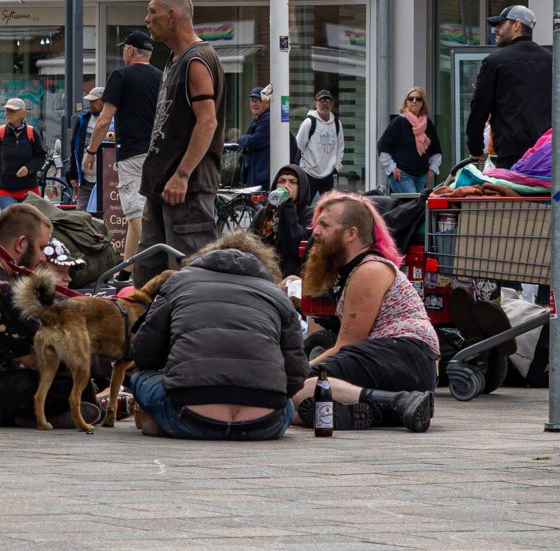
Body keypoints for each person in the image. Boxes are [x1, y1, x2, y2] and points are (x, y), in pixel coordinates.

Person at [131, 231, 308, 441]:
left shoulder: (177, 283)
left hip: (190, 417)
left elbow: (143, 354)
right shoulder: (277, 296)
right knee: (286, 404)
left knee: (141, 378)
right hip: (263, 424)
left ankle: (164, 419)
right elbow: (296, 374)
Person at [291, 192, 437, 432]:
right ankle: (380, 411)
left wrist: (294, 372)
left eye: (324, 225)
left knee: (297, 387)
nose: (315, 231)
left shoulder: (368, 270)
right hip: (405, 364)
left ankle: (399, 401)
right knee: (296, 400)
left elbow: (347, 345)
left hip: (404, 355)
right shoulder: (359, 269)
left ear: (351, 233)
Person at [0, 204, 96, 427]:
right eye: (42, 247)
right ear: (21, 243)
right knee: (68, 377)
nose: (42, 257)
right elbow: (35, 359)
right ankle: (37, 415)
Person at [133, 0, 225, 285]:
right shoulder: (175, 59)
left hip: (186, 191)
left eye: (152, 11)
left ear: (171, 16)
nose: (147, 19)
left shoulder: (196, 60)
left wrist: (182, 175)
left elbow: (207, 122)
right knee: (147, 277)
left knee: (191, 277)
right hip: (162, 188)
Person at [82, 31, 163, 266]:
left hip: (132, 154)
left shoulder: (120, 76)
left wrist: (91, 151)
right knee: (143, 215)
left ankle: (150, 264)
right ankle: (126, 269)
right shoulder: (161, 77)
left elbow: (104, 120)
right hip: (158, 154)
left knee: (136, 216)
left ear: (129, 50)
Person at [466, 5, 552, 169]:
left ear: (516, 25)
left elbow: (479, 110)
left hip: (512, 157)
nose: (495, 30)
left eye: (500, 24)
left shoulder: (494, 62)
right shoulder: (551, 61)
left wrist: (475, 149)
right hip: (546, 157)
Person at [249, 164, 313, 279]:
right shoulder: (265, 213)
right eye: (281, 181)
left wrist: (288, 206)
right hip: (264, 274)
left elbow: (296, 246)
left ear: (301, 187)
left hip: (293, 277)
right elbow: (250, 241)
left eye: (292, 182)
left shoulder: (308, 214)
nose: (286, 186)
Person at [378, 87, 442, 194]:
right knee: (412, 201)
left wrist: (432, 168)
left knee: (418, 203)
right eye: (411, 98)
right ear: (406, 102)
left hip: (421, 175)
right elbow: (383, 146)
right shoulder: (399, 122)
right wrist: (392, 167)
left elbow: (435, 149)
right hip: (402, 174)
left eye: (418, 99)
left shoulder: (428, 124)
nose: (414, 101)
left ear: (423, 103)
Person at [0, 98, 45, 210]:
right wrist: (0, 170)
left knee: (29, 220)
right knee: (12, 219)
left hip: (29, 190)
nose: (8, 113)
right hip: (6, 190)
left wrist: (28, 168)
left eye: (12, 110)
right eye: (7, 110)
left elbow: (41, 157)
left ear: (23, 113)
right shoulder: (0, 132)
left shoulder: (32, 132)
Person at [295, 90, 345, 203]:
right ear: (315, 103)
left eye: (328, 100)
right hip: (309, 173)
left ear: (332, 104)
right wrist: (303, 168)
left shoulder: (337, 123)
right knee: (303, 204)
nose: (325, 103)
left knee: (331, 206)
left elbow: (340, 146)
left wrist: (337, 166)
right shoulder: (308, 123)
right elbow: (298, 145)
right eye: (321, 100)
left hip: (330, 174)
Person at [67, 87, 106, 211]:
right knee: (82, 214)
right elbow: (74, 148)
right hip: (85, 179)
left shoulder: (113, 121)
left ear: (104, 101)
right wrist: (73, 175)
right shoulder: (83, 120)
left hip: (106, 178)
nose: (90, 104)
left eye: (94, 101)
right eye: (90, 101)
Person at [236, 85, 271, 188]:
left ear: (266, 102)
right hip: (257, 174)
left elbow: (254, 142)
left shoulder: (268, 120)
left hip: (263, 176)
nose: (254, 104)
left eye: (258, 101)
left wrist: (241, 139)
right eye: (252, 101)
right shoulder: (258, 119)